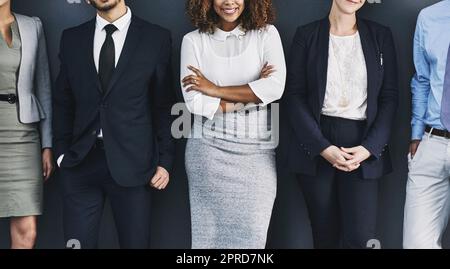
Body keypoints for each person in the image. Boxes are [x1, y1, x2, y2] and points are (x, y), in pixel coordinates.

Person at [53, 0, 175, 249]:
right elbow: (63, 102)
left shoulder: (156, 38)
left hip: (135, 165)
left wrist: (165, 160)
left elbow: (165, 106)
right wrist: (61, 154)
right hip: (80, 164)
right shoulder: (71, 38)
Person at [283, 0, 398, 248]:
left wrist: (370, 148)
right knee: (325, 238)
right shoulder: (307, 35)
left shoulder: (380, 35)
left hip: (363, 143)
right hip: (317, 142)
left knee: (360, 238)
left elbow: (389, 98)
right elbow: (294, 95)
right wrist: (322, 147)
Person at [180, 0, 286, 249]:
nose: (229, 2)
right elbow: (196, 103)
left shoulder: (266, 34)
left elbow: (274, 88)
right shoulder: (193, 41)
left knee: (252, 238)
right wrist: (252, 93)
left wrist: (215, 89)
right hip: (207, 152)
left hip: (256, 153)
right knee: (208, 239)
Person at [0, 0, 54, 249]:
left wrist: (47, 144)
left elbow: (43, 87)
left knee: (27, 231)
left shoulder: (32, 26)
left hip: (24, 137)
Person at [403, 0, 450, 249]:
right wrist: (416, 135)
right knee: (415, 245)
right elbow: (421, 79)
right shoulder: (429, 17)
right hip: (431, 144)